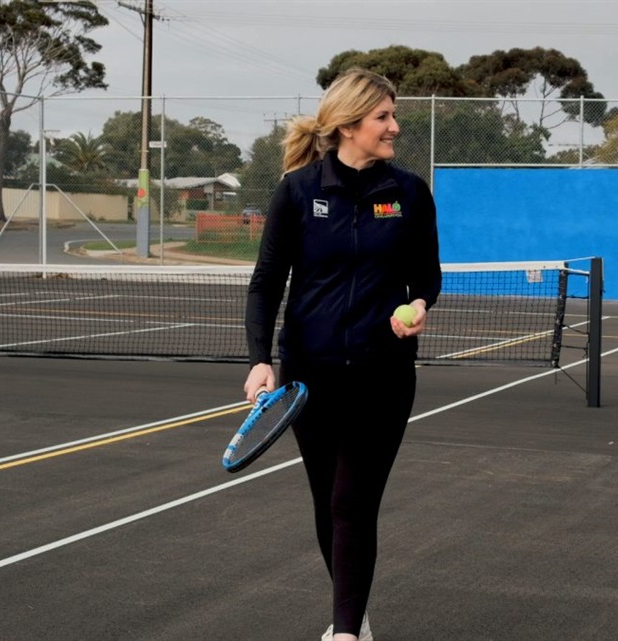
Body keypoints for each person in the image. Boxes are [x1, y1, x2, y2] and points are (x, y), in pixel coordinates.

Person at [243, 67, 441, 641]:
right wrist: (260, 359)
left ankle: (346, 632)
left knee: (352, 501)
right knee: (328, 501)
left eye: (393, 115)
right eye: (383, 117)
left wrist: (421, 303)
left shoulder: (408, 193)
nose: (394, 127)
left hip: (382, 377)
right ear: (349, 124)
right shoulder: (299, 192)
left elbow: (426, 274)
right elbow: (265, 283)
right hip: (308, 379)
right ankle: (351, 608)